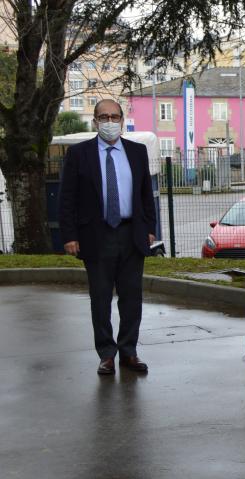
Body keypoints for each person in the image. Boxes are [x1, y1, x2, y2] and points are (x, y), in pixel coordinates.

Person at [59, 99, 157, 375]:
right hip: (96, 235)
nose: (110, 122)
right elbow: (67, 198)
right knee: (100, 299)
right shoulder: (79, 154)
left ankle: (129, 351)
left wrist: (150, 228)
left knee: (131, 298)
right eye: (104, 117)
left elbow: (145, 194)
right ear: (95, 121)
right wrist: (69, 235)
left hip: (131, 234)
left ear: (122, 120)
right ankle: (106, 354)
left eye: (114, 117)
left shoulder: (137, 152)